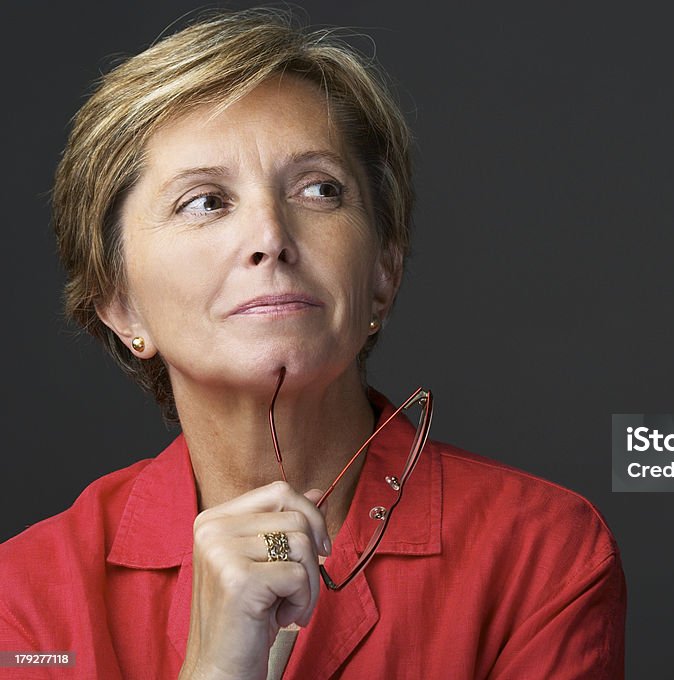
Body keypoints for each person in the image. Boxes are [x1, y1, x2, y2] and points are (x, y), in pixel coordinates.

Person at [0, 8, 625, 680]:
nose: (272, 236)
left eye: (319, 189)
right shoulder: (25, 598)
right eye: (205, 201)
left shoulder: (543, 557)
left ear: (384, 270)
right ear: (120, 303)